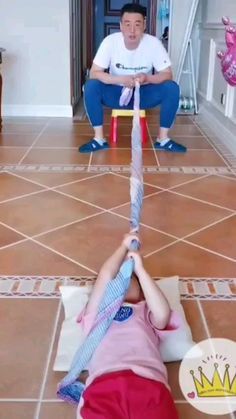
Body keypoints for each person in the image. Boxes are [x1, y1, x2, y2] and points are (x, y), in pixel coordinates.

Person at [77, 232, 180, 419]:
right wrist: (123, 248)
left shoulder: (145, 311)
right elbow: (106, 275)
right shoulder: (96, 314)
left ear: (141, 291)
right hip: (103, 385)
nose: (121, 281)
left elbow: (163, 313)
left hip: (148, 383)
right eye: (116, 280)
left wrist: (140, 270)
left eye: (129, 279)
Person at [79, 3, 186, 154]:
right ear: (121, 26)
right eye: (127, 24)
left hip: (143, 94)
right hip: (116, 94)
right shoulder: (110, 42)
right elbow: (95, 73)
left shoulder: (153, 43)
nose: (132, 30)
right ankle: (98, 139)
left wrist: (147, 78)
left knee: (172, 87)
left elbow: (167, 74)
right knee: (91, 86)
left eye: (137, 24)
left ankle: (163, 139)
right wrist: (120, 80)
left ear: (144, 25)